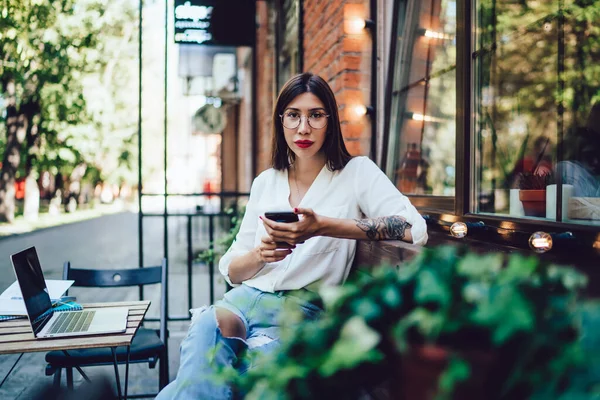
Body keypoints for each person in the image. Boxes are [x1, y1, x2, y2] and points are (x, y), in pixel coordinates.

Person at [156, 72, 428, 399]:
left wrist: (323, 225)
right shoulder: (266, 181)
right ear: (280, 121)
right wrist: (260, 255)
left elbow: (412, 227)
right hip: (241, 305)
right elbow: (230, 269)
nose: (303, 128)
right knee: (204, 335)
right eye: (293, 115)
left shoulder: (357, 173)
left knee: (213, 385)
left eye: (315, 115)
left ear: (330, 121)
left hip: (298, 317)